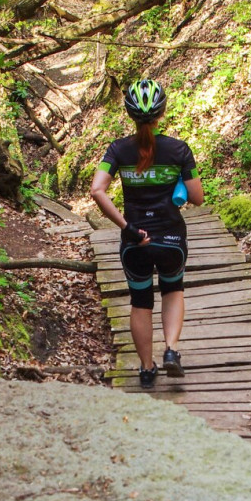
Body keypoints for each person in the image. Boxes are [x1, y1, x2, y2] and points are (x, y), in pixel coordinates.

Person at [91, 79, 204, 388]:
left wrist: (126, 227)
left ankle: (145, 368)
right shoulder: (179, 150)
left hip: (135, 241)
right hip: (171, 240)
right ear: (162, 113)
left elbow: (97, 191)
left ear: (129, 114)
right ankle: (171, 350)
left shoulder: (117, 149)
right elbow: (197, 197)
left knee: (140, 301)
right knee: (173, 289)